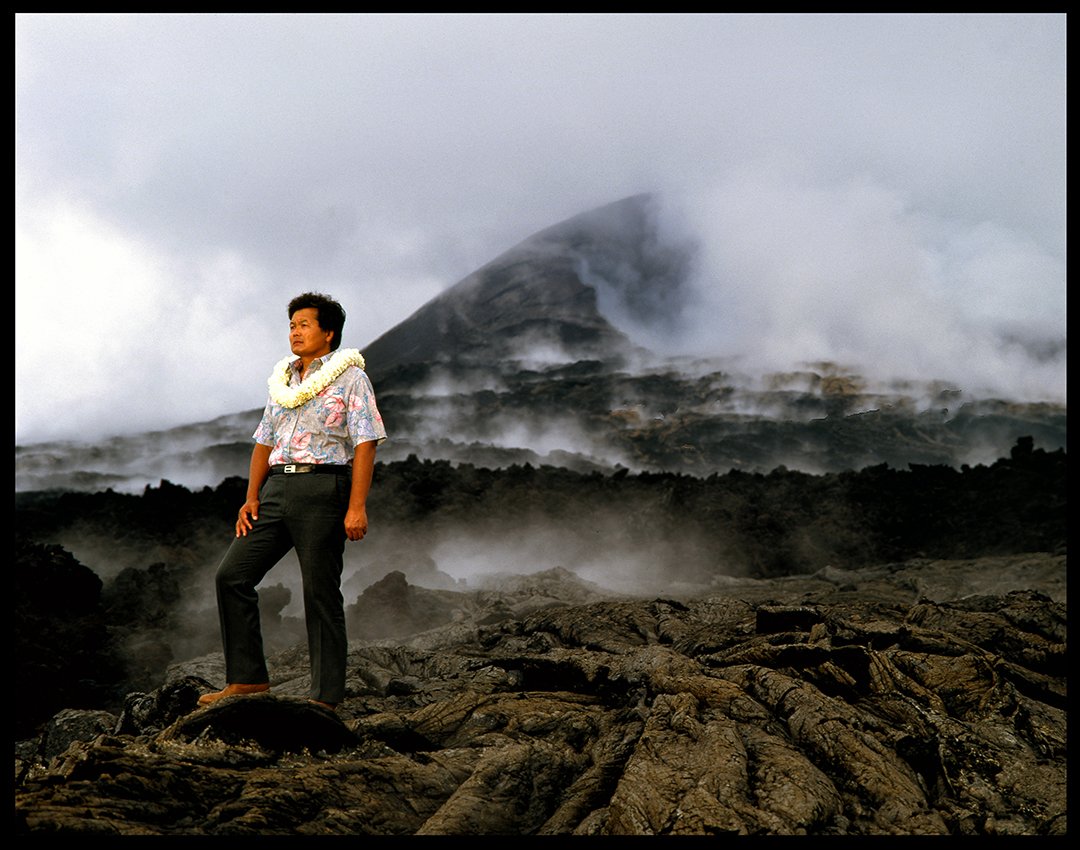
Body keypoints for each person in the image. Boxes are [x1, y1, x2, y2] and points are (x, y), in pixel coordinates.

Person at [198, 292, 386, 710]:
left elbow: (366, 443)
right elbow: (264, 441)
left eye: (303, 324)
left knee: (320, 590)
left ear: (328, 332)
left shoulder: (351, 377)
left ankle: (325, 697)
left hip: (324, 489)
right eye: (291, 325)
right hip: (276, 490)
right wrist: (251, 497)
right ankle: (246, 680)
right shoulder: (282, 380)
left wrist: (357, 506)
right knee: (232, 575)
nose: (295, 332)